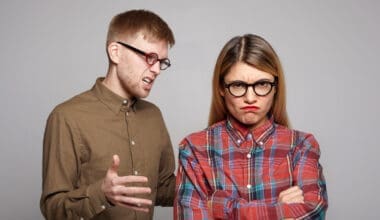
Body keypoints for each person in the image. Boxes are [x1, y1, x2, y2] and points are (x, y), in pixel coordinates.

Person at [174, 34, 328, 219]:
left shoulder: (302, 146)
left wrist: (222, 206)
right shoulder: (194, 149)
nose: (250, 97)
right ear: (221, 88)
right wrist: (278, 210)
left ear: (276, 86)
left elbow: (314, 212)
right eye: (238, 85)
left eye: (262, 84)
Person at [40, 9, 176, 220]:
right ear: (115, 52)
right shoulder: (67, 117)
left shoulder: (153, 116)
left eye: (162, 62)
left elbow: (162, 189)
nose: (157, 69)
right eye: (150, 57)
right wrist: (101, 194)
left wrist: (209, 177)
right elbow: (53, 209)